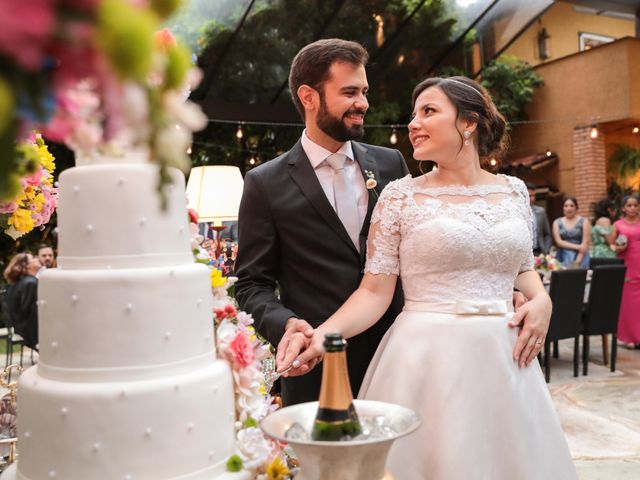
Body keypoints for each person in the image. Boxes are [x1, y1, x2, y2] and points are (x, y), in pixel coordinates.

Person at [280, 76, 576, 479]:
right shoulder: (401, 196)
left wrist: (542, 300)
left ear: (468, 122)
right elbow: (374, 292)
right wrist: (321, 337)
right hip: (425, 362)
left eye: (428, 111)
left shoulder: (514, 192)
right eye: (413, 114)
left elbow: (524, 269)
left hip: (505, 361)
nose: (413, 123)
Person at [234, 39, 410, 406]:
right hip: (316, 369)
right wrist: (286, 324)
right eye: (349, 92)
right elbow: (252, 284)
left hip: (399, 357)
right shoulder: (264, 183)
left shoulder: (391, 164)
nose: (363, 102)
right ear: (309, 96)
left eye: (363, 91)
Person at [611, 194, 640, 348]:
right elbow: (612, 246)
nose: (632, 208)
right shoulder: (617, 225)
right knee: (629, 303)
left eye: (635, 205)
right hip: (628, 265)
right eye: (629, 205)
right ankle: (629, 337)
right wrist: (618, 248)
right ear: (623, 208)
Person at [3, 253, 41, 350]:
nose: (37, 258)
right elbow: (30, 312)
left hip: (20, 329)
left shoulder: (19, 283)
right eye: (33, 258)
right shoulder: (31, 283)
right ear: (26, 265)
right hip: (30, 332)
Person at [552, 196, 591, 268]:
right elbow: (559, 242)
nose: (568, 208)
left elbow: (584, 244)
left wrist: (577, 263)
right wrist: (578, 247)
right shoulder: (557, 222)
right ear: (563, 208)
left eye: (571, 206)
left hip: (581, 255)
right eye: (566, 206)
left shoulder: (584, 221)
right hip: (562, 255)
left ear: (576, 208)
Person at [526, 182, 552, 255]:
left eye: (534, 195)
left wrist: (546, 250)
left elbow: (547, 234)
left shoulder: (541, 211)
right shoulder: (517, 213)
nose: (533, 198)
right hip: (524, 254)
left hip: (539, 252)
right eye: (530, 196)